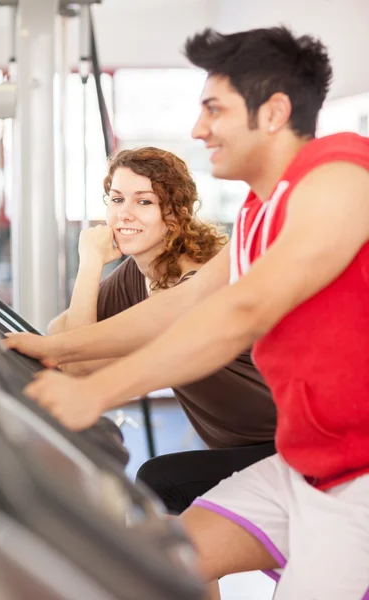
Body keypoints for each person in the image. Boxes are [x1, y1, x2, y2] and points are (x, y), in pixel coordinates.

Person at [4, 26, 369, 599]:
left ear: (273, 111)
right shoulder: (255, 214)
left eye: (213, 110)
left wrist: (95, 393)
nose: (199, 130)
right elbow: (182, 305)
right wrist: (53, 350)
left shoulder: (342, 176)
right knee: (161, 564)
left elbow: (239, 311)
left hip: (360, 478)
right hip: (305, 462)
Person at [46, 145, 277, 513]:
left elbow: (75, 361)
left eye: (144, 202)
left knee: (160, 481)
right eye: (117, 198)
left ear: (174, 214)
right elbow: (61, 334)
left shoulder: (199, 280)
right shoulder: (138, 273)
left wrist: (90, 262)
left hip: (283, 445)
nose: (124, 214)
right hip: (237, 447)